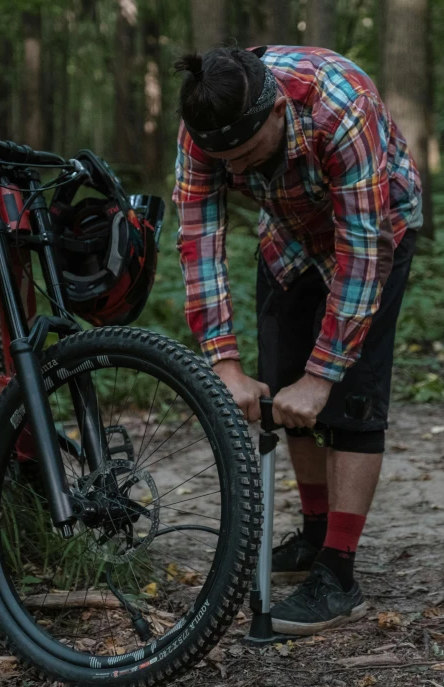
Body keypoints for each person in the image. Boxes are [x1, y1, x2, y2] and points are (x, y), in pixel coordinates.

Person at [172, 45, 422, 635]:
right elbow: (198, 240)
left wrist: (324, 375)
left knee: (351, 396)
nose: (238, 170)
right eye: (226, 160)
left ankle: (339, 573)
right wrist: (224, 363)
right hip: (286, 235)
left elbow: (362, 251)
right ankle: (313, 537)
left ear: (278, 111)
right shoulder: (203, 132)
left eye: (249, 154)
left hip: (375, 228)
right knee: (282, 386)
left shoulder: (343, 107)